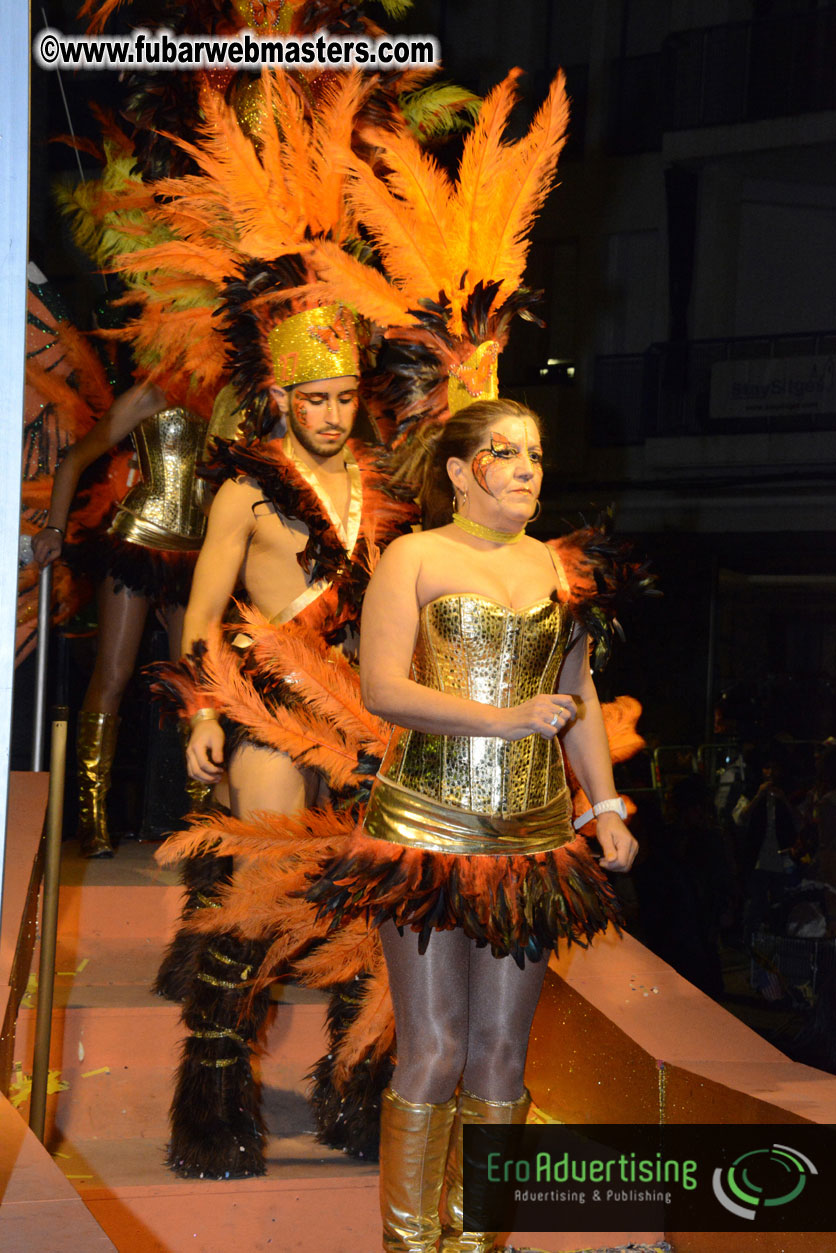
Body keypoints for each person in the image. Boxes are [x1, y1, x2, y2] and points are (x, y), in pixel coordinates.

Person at [310, 397, 638, 1253]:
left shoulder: (561, 569)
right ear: (459, 471)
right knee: (435, 1047)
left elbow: (578, 694)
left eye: (535, 452)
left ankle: (478, 1243)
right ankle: (411, 1245)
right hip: (425, 831)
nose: (527, 467)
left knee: (501, 1054)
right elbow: (382, 688)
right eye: (505, 452)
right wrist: (502, 719)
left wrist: (603, 805)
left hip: (532, 841)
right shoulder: (413, 556)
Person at [158, 302, 414, 1179]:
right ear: (279, 398)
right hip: (268, 706)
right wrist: (201, 711)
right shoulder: (245, 491)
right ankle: (211, 1109)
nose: (333, 415)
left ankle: (356, 1094)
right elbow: (202, 612)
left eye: (344, 397)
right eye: (315, 399)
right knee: (258, 902)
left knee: (367, 909)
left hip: (360, 716)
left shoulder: (382, 488)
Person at [32, 379, 209, 856]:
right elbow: (75, 459)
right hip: (137, 541)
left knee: (195, 685)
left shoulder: (231, 398)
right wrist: (54, 527)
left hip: (197, 552)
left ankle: (202, 823)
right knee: (113, 673)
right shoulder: (149, 394)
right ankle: (92, 817)